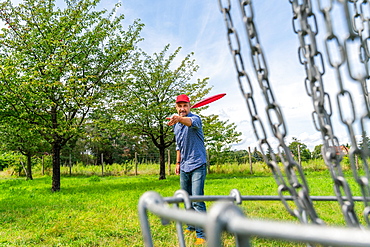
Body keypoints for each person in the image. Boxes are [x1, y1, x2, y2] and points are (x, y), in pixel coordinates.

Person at [167, 94, 207, 245]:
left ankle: (202, 234)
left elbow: (189, 122)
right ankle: (190, 226)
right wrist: (177, 163)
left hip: (197, 164)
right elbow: (179, 145)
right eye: (180, 106)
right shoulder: (176, 125)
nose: (182, 108)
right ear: (176, 107)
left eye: (185, 105)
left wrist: (179, 119)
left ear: (189, 106)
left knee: (197, 199)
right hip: (184, 166)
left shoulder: (196, 119)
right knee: (186, 198)